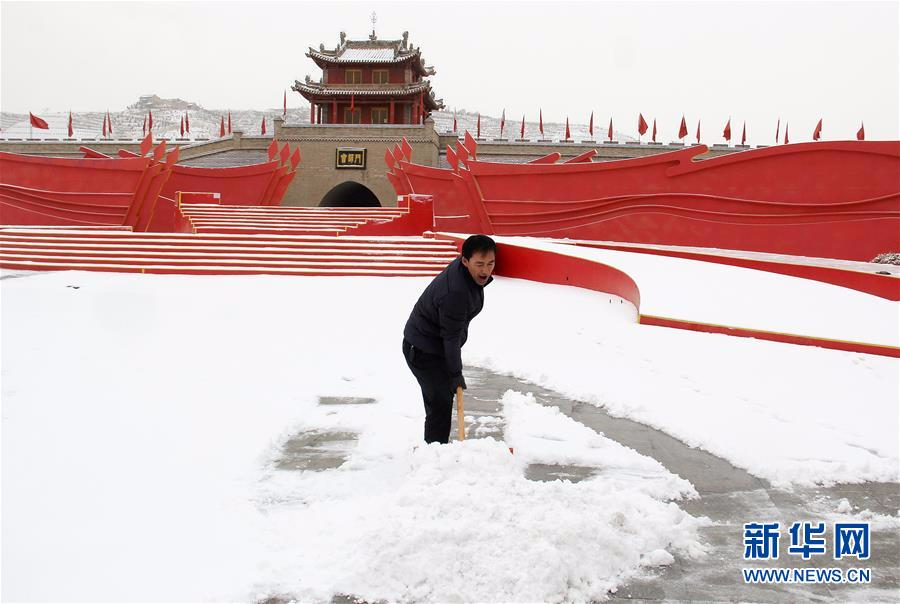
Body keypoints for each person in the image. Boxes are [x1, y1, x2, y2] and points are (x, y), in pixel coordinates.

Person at [402, 234, 496, 444]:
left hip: (431, 344)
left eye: (490, 263)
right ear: (465, 261)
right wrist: (455, 374)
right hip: (422, 350)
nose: (485, 270)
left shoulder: (465, 273)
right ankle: (435, 455)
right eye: (479, 264)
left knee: (441, 401)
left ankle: (436, 450)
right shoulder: (456, 293)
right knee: (440, 405)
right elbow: (451, 336)